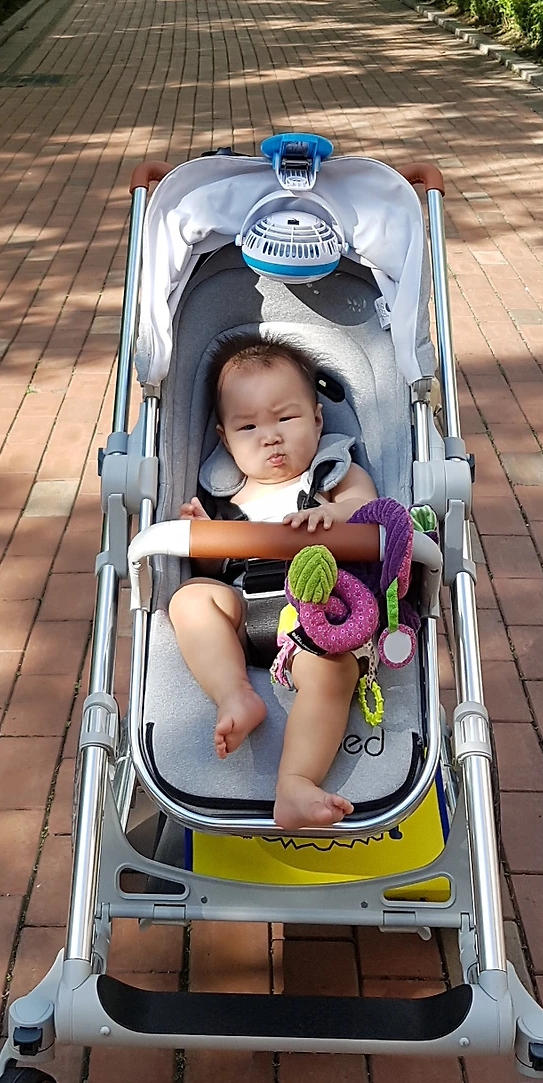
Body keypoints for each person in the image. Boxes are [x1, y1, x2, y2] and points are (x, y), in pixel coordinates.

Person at [168, 338, 377, 831]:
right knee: (192, 599)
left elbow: (369, 512)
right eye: (248, 427)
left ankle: (296, 782)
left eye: (286, 418)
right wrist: (205, 538)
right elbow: (211, 571)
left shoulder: (332, 474)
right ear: (225, 439)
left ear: (317, 420)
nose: (270, 438)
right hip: (246, 605)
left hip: (315, 616)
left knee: (332, 673)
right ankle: (235, 693)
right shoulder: (224, 492)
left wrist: (334, 515)